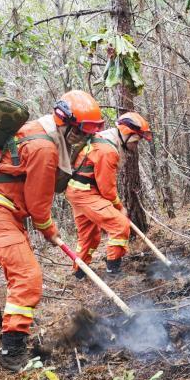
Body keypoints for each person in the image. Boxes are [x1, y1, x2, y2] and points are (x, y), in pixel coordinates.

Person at [0, 90, 104, 372]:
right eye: (79, 134)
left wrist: (45, 227)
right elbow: (38, 204)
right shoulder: (44, 147)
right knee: (28, 276)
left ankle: (14, 335)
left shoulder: (41, 133)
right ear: (64, 123)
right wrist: (48, 229)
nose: (82, 141)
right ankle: (12, 354)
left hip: (3, 211)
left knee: (20, 276)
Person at [66, 112, 152, 279]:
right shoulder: (107, 150)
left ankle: (79, 272)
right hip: (85, 193)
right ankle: (114, 271)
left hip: (78, 191)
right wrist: (119, 207)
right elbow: (107, 188)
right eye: (136, 141)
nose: (136, 146)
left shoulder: (107, 140)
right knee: (120, 225)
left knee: (90, 236)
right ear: (126, 134)